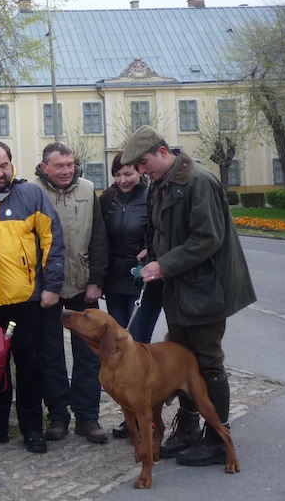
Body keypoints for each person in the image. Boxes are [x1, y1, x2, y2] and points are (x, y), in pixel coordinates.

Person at [120, 126, 256, 467]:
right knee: (181, 360)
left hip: (207, 289)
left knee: (208, 361)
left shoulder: (198, 181)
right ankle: (189, 429)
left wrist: (164, 264)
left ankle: (217, 437)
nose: (142, 172)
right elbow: (159, 229)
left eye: (144, 163)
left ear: (162, 152)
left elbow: (208, 237)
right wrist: (151, 254)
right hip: (180, 289)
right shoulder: (160, 183)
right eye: (137, 167)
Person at [0, 141, 64, 454]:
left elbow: (53, 240)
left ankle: (32, 428)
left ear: (12, 163)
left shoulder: (31, 194)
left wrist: (52, 286)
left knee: (29, 366)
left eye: (4, 166)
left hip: (26, 299)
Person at [32, 142, 110, 444]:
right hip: (47, 289)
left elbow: (99, 238)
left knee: (88, 355)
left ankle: (88, 417)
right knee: (51, 355)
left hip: (82, 285)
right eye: (59, 166)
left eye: (70, 165)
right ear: (45, 167)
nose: (67, 171)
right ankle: (58, 416)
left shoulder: (88, 189)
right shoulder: (31, 191)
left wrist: (96, 280)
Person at [99, 151, 163, 439]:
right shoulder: (107, 198)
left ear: (140, 172)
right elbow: (99, 237)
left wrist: (153, 250)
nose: (123, 180)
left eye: (128, 174)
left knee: (138, 348)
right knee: (120, 350)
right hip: (115, 281)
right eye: (117, 174)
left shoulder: (152, 196)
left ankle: (145, 415)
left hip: (143, 281)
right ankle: (130, 417)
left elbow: (164, 231)